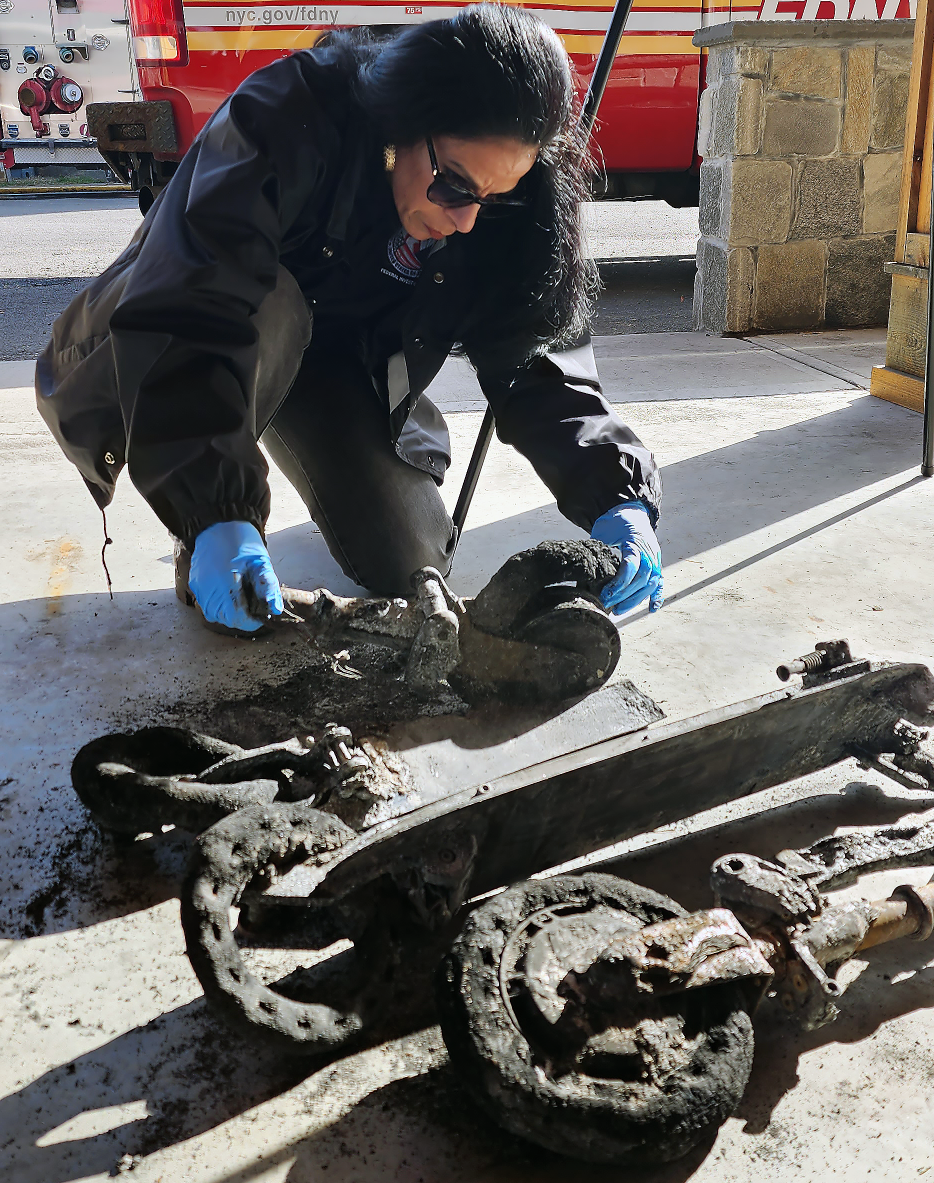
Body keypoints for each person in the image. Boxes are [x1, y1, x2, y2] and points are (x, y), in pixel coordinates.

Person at [37, 3, 663, 635]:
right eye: (455, 188)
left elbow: (534, 350)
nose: (468, 220)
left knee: (413, 558)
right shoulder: (286, 115)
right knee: (275, 305)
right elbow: (191, 307)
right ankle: (206, 531)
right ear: (402, 127)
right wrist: (212, 509)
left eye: (494, 201)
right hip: (208, 338)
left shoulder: (509, 191)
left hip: (337, 368)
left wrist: (617, 493)